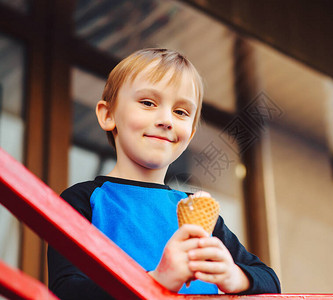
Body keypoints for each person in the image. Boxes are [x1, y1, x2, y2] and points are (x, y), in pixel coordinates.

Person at [47, 48, 280, 299]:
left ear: (189, 135)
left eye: (181, 112)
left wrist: (236, 276)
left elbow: (270, 279)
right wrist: (157, 280)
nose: (166, 120)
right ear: (108, 115)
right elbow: (67, 290)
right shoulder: (82, 201)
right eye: (148, 103)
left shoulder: (195, 211)